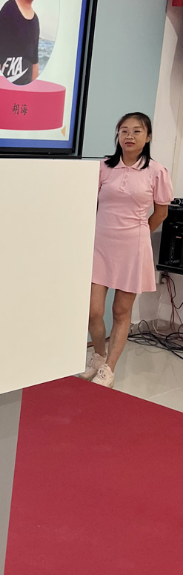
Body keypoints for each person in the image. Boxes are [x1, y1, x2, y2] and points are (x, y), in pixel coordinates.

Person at [82, 112, 173, 387]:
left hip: (133, 249)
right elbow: (91, 204)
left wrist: (140, 232)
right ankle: (98, 356)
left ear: (148, 137)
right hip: (101, 246)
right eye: (124, 131)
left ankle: (108, 369)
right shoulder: (104, 167)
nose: (129, 136)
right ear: (118, 135)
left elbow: (161, 213)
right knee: (93, 310)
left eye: (137, 131)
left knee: (121, 311)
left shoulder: (156, 171)